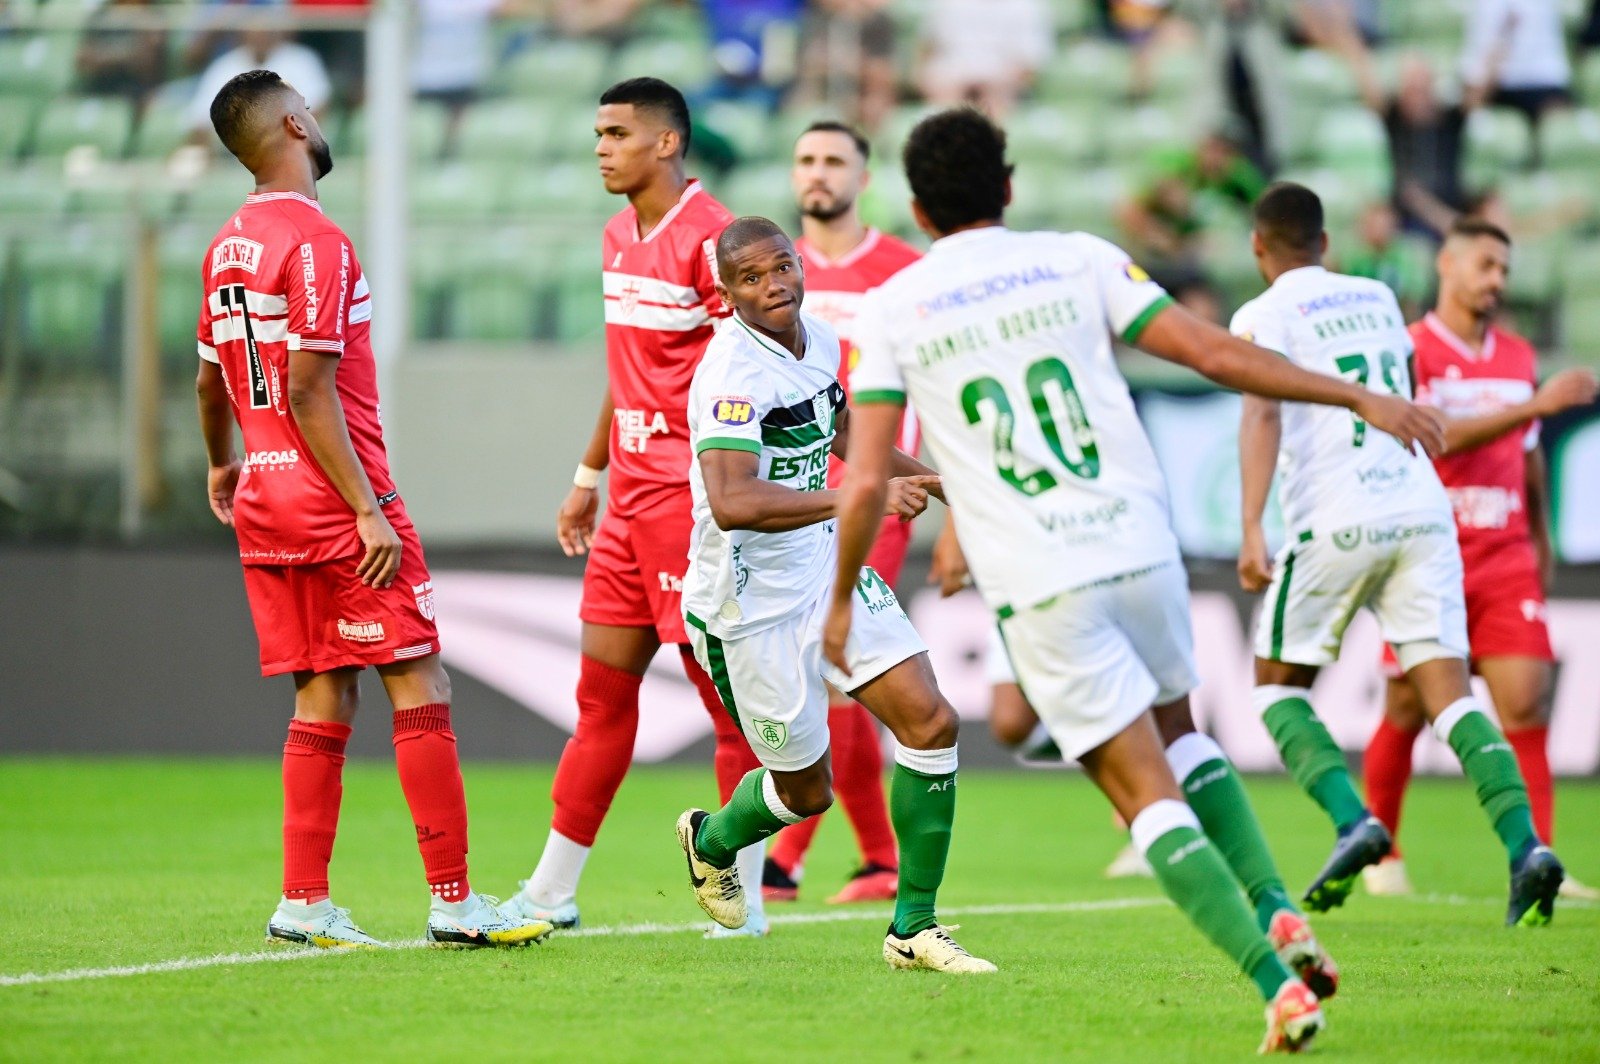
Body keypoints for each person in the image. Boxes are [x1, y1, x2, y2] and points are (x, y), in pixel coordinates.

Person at [825, 109, 1444, 1051]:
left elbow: (869, 475)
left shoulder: (893, 307)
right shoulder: (1079, 258)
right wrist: (1357, 391)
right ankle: (1276, 906)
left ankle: (1277, 985)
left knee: (1139, 792)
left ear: (913, 206)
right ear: (1009, 187)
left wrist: (838, 603)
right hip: (1140, 545)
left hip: (1041, 575)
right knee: (1176, 733)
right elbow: (1212, 352)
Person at [194, 69, 549, 949]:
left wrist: (222, 463)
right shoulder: (317, 243)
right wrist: (367, 509)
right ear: (291, 123)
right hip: (333, 501)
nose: (320, 121)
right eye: (310, 109)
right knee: (420, 681)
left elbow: (209, 380)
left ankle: (304, 904)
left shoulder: (225, 245)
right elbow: (312, 389)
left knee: (322, 694)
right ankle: (456, 901)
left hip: (267, 501)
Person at [1233, 183, 1566, 927]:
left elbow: (1260, 409)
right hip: (1422, 509)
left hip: (1336, 514)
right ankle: (1525, 847)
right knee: (1450, 697)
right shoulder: (1381, 299)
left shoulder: (1262, 314)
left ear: (1259, 248)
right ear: (1325, 244)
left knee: (1276, 688)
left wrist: (1253, 524)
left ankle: (1356, 822)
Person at [673, 215, 995, 973]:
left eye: (781, 266)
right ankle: (712, 840)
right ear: (727, 293)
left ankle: (913, 926)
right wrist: (863, 502)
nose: (774, 285)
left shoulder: (817, 339)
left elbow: (845, 428)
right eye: (751, 278)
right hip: (747, 604)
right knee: (804, 791)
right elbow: (733, 501)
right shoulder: (730, 376)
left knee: (931, 720)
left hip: (820, 565)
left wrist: (937, 484)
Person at [500, 78, 767, 936]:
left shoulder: (715, 239)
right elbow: (630, 374)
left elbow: (754, 371)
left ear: (666, 142)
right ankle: (549, 892)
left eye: (616, 133)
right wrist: (588, 475)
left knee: (728, 706)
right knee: (601, 700)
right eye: (596, 133)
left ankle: (745, 900)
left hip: (690, 508)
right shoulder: (619, 234)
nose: (600, 147)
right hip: (624, 504)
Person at [1360, 219, 1599, 900]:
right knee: (1407, 706)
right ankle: (1383, 853)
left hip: (1505, 553)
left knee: (1526, 702)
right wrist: (1537, 403)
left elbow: (1527, 456)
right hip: (1428, 555)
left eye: (1505, 270)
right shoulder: (1410, 349)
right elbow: (1432, 435)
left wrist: (1542, 541)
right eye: (1487, 265)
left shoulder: (1519, 356)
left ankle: (1538, 861)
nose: (1497, 281)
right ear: (1448, 263)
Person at [759, 120, 921, 907]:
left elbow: (940, 396)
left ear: (864, 174)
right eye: (805, 160)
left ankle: (791, 855)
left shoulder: (904, 273)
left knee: (833, 668)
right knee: (824, 672)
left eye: (832, 161)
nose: (817, 174)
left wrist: (952, 509)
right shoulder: (770, 273)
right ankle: (874, 859)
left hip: (875, 498)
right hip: (789, 499)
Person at [915, 0, 1052, 119]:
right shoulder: (948, 4)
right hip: (953, 74)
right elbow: (928, 50)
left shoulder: (1024, 7)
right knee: (942, 86)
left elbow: (1029, 64)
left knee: (996, 97)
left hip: (1001, 76)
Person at [189, 25, 332, 138]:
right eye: (254, 33)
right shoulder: (224, 65)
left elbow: (318, 107)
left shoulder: (301, 59)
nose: (260, 38)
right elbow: (201, 118)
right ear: (242, 35)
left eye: (265, 32)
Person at [1460, 0, 1573, 123]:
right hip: (1502, 87)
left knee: (1559, 127)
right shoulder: (1487, 5)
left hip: (1546, 84)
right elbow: (1481, 67)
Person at [1339, 201, 1428, 320]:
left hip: (1397, 317)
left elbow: (1412, 300)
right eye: (1371, 225)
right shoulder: (1353, 257)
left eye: (1381, 225)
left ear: (1393, 226)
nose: (1377, 230)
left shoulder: (1405, 258)